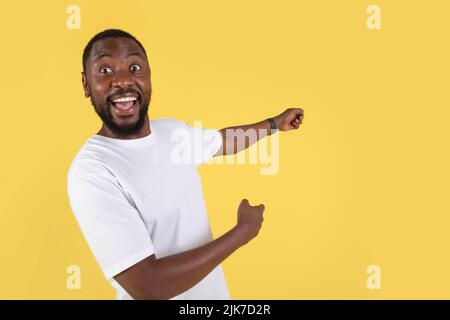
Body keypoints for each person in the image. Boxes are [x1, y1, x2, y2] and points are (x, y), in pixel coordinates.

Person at [67, 29, 304, 300]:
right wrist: (242, 233)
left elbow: (223, 141)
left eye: (134, 67)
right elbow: (149, 287)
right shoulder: (92, 171)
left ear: (148, 77)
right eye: (105, 70)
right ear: (86, 85)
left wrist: (275, 124)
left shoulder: (171, 131)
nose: (122, 81)